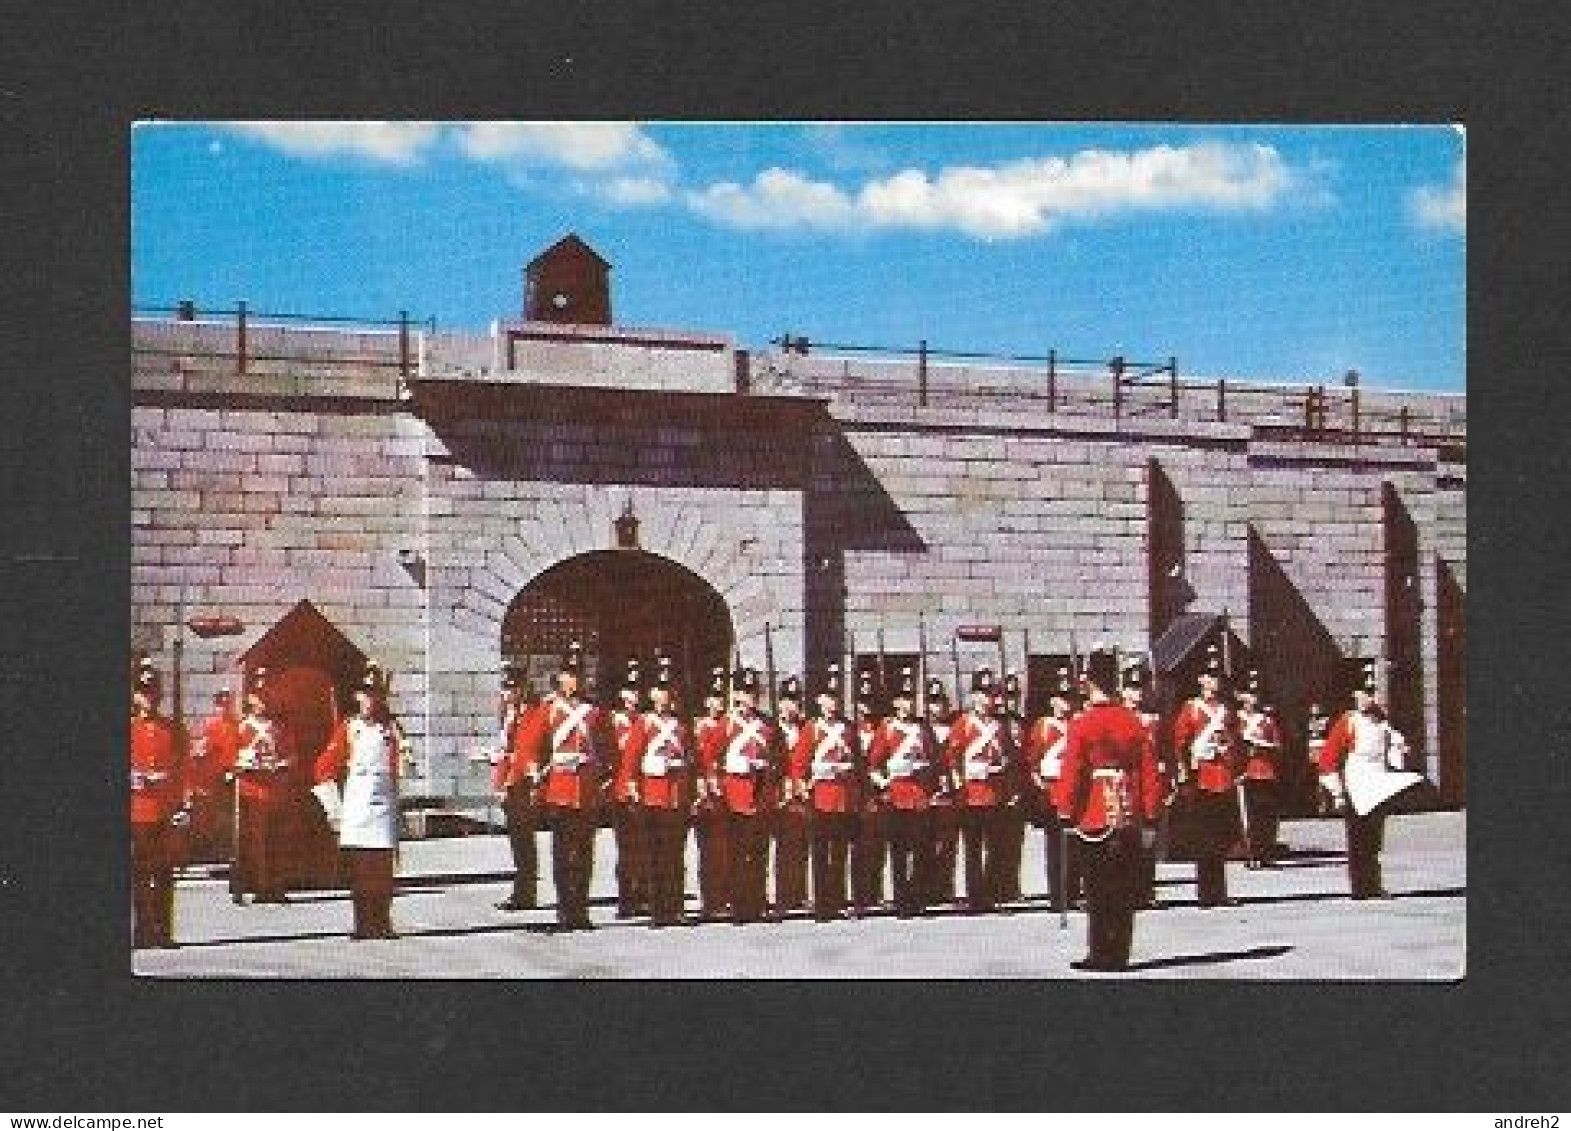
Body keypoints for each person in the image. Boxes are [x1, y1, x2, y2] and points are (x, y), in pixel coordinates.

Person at [1055, 648, 1162, 972]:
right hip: (1128, 811)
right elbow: (1148, 771)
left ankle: (1100, 952)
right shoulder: (1132, 721)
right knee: (1123, 888)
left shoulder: (1082, 724)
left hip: (1095, 812)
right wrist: (1151, 812)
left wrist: (1065, 809)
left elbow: (1073, 773)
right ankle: (1120, 953)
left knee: (1098, 889)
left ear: (1088, 683)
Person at [1316, 660, 1426, 900]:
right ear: (1355, 695)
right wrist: (1337, 792)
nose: (1370, 698)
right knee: (1357, 838)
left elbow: (1392, 758)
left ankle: (1373, 884)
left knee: (1374, 838)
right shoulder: (1348, 722)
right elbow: (1328, 759)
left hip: (1378, 784)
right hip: (1356, 785)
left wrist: (1400, 751)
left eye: (1373, 692)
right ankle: (1360, 887)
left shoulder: (1382, 723)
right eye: (1365, 692)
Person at [313, 661, 406, 940]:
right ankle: (363, 924)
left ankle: (383, 922)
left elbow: (403, 766)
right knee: (362, 872)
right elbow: (324, 767)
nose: (370, 700)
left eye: (375, 694)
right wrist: (333, 806)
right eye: (366, 694)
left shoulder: (392, 729)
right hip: (358, 808)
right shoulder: (349, 729)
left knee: (383, 871)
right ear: (358, 697)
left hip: (384, 807)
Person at [531, 642, 608, 931]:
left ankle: (581, 909)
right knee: (563, 853)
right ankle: (565, 909)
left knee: (585, 852)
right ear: (560, 677)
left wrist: (604, 776)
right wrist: (535, 772)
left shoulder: (594, 711)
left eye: (578, 675)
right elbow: (534, 746)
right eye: (568, 674)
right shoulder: (548, 709)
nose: (573, 680)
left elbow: (606, 747)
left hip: (586, 789)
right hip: (560, 787)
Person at [701, 666, 781, 924]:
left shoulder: (767, 725)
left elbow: (778, 758)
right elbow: (711, 758)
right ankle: (738, 905)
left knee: (758, 853)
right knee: (735, 854)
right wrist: (718, 781)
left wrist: (768, 772)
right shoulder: (726, 724)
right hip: (734, 795)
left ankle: (756, 902)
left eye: (752, 692)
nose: (748, 698)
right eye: (744, 692)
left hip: (760, 796)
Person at [1170, 646, 1242, 908]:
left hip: (1222, 776)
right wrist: (1184, 768)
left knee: (1221, 837)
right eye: (1208, 677)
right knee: (1204, 839)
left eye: (1216, 677)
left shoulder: (1227, 709)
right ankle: (1206, 893)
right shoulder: (1191, 708)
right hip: (1201, 777)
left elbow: (1236, 740)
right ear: (1200, 680)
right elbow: (1180, 742)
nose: (1213, 682)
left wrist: (1229, 749)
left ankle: (1219, 891)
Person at [627, 656, 696, 927]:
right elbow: (632, 760)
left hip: (676, 795)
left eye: (668, 692)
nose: (664, 697)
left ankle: (675, 906)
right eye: (660, 691)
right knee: (654, 855)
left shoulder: (680, 725)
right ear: (652, 694)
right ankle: (658, 909)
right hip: (652, 794)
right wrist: (635, 786)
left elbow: (690, 758)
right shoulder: (643, 724)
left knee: (675, 855)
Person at [866, 667, 940, 917]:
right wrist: (885, 782)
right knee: (898, 851)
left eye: (910, 699)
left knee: (920, 850)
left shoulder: (922, 729)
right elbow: (873, 764)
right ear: (895, 703)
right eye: (902, 700)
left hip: (918, 794)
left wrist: (925, 772)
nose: (907, 705)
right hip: (896, 796)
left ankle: (917, 897)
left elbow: (933, 759)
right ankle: (901, 900)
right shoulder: (887, 729)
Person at [944, 668, 1018, 913]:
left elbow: (1008, 756)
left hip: (994, 792)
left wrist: (1003, 772)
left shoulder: (999, 726)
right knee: (973, 849)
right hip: (971, 794)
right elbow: (952, 758)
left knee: (995, 848)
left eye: (991, 694)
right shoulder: (963, 724)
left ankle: (992, 894)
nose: (987, 699)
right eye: (983, 693)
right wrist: (961, 779)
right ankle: (975, 897)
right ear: (974, 696)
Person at [792, 665, 860, 921]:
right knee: (820, 854)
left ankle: (838, 899)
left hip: (843, 797)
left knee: (840, 853)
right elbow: (799, 764)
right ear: (819, 701)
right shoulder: (812, 729)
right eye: (828, 699)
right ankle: (822, 904)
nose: (832, 704)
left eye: (836, 699)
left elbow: (858, 764)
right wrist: (803, 787)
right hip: (820, 797)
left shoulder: (848, 728)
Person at [130, 659, 187, 949]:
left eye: (152, 692)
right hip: (138, 808)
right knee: (140, 872)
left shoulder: (173, 729)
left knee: (165, 871)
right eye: (143, 691)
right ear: (135, 695)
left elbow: (183, 768)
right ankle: (142, 930)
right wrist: (138, 778)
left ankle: (164, 930)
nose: (148, 698)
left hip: (165, 808)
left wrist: (182, 804)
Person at [232, 666, 297, 905]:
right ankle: (258, 885)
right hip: (252, 790)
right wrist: (242, 762)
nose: (263, 703)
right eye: (258, 698)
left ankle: (275, 885)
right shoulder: (243, 727)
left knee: (277, 841)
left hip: (275, 789)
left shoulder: (279, 728)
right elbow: (231, 758)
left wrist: (282, 764)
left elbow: (292, 755)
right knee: (255, 842)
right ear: (250, 700)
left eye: (266, 697)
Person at [1025, 666, 1078, 914]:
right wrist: (1041, 787)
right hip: (1051, 791)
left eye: (1068, 698)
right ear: (1052, 701)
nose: (1064, 704)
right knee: (1055, 848)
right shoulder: (1043, 726)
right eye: (1060, 698)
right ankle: (1056, 896)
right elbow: (1033, 762)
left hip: (1074, 792)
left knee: (1075, 846)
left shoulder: (1078, 724)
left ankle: (1073, 893)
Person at [491, 667, 542, 912]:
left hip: (522, 784)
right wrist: (499, 783)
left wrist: (510, 780)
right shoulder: (509, 716)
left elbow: (525, 752)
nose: (508, 694)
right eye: (506, 689)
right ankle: (522, 888)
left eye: (512, 689)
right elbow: (505, 753)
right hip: (510, 783)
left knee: (524, 841)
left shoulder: (531, 714)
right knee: (517, 840)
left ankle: (526, 891)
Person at [1120, 660, 1163, 905]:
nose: (1135, 694)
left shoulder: (1152, 720)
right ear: (1123, 691)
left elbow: (1162, 752)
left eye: (1139, 689)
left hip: (1148, 784)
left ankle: (1146, 890)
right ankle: (1127, 890)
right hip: (1125, 783)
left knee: (1148, 839)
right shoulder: (1118, 716)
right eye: (1131, 689)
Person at [609, 660, 649, 919]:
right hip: (621, 791)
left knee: (645, 846)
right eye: (629, 690)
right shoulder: (613, 722)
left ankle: (644, 894)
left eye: (637, 691)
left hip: (646, 789)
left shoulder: (646, 721)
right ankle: (626, 898)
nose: (633, 697)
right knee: (626, 848)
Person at [692, 668, 731, 921]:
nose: (717, 703)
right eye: (713, 697)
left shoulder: (729, 725)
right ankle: (710, 899)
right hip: (706, 793)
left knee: (726, 848)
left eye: (721, 697)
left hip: (728, 791)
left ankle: (725, 895)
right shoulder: (699, 727)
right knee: (708, 850)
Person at [770, 675, 811, 916]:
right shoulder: (773, 729)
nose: (791, 706)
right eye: (786, 700)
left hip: (802, 793)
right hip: (778, 793)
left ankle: (799, 893)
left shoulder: (806, 727)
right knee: (782, 847)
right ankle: (783, 896)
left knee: (800, 844)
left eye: (794, 700)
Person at [1237, 670, 1285, 867]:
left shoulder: (1266, 720)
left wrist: (1264, 746)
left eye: (1255, 694)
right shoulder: (1236, 719)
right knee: (1249, 815)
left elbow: (1277, 745)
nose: (1252, 699)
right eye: (1248, 694)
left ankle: (1265, 851)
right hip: (1246, 771)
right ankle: (1252, 853)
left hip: (1265, 771)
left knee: (1266, 815)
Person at [850, 667, 888, 915]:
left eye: (870, 702)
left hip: (880, 793)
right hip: (857, 794)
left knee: (878, 846)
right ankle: (860, 895)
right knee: (859, 847)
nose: (866, 708)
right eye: (862, 702)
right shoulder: (850, 729)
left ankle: (875, 892)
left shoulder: (882, 728)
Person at [189, 688, 241, 864]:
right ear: (217, 705)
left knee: (232, 815)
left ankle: (230, 851)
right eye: (221, 703)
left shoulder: (237, 725)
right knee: (214, 815)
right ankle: (215, 850)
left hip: (234, 775)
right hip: (216, 777)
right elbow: (203, 750)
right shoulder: (211, 726)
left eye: (228, 703)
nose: (225, 707)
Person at [992, 671, 1029, 904]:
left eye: (1014, 694)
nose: (1010, 699)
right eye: (1006, 694)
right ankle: (997, 888)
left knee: (1016, 841)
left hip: (1018, 785)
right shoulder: (996, 724)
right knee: (998, 843)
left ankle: (1012, 885)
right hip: (1000, 787)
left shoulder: (1021, 723)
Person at [924, 679, 960, 905]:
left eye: (938, 702)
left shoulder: (953, 728)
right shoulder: (920, 729)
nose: (935, 708)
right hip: (925, 790)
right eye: (931, 702)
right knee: (924, 843)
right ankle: (925, 888)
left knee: (948, 843)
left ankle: (945, 887)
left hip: (948, 791)